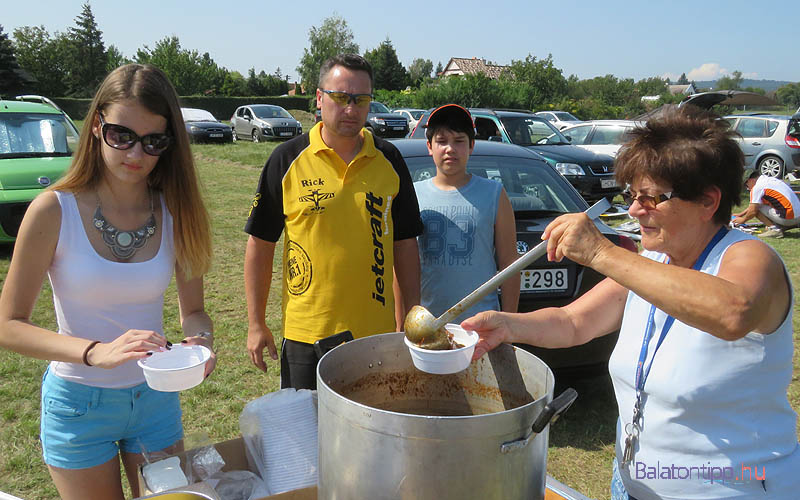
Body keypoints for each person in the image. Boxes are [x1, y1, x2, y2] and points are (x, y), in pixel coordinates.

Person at [461, 107, 800, 499]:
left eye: (654, 198)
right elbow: (574, 322)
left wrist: (602, 253)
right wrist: (507, 325)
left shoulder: (749, 257)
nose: (636, 210)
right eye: (633, 195)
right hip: (633, 484)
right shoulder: (652, 263)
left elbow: (733, 312)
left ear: (708, 201)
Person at [0, 64, 215, 500]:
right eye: (121, 135)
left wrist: (201, 343)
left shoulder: (176, 212)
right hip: (78, 404)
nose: (135, 154)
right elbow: (8, 324)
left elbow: (193, 312)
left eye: (153, 141)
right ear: (96, 125)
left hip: (154, 400)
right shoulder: (52, 210)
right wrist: (95, 352)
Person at [244, 53, 423, 390]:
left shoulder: (390, 160)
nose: (351, 110)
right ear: (319, 98)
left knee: (370, 437)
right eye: (340, 98)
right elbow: (260, 243)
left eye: (361, 99)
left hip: (375, 335)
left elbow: (405, 244)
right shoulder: (286, 160)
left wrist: (411, 315)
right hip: (306, 335)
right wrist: (256, 323)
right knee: (307, 439)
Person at [414, 104, 519, 323]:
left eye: (459, 141)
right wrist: (401, 324)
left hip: (481, 325)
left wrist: (508, 324)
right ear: (429, 146)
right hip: (428, 326)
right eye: (441, 141)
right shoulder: (413, 194)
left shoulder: (494, 193)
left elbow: (510, 263)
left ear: (471, 145)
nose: (450, 149)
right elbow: (402, 269)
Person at [732, 170, 800, 238]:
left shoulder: (757, 187)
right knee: (759, 206)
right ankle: (790, 224)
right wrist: (740, 214)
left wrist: (742, 220)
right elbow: (758, 204)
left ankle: (774, 230)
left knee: (756, 210)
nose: (747, 188)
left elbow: (753, 211)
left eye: (746, 185)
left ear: (751, 180)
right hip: (797, 216)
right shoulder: (770, 180)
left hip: (790, 217)